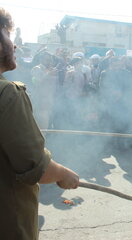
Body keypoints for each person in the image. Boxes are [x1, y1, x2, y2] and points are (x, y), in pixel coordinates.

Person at [0, 8, 79, 240]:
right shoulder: (8, 94)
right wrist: (64, 174)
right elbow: (37, 168)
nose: (14, 45)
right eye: (7, 35)